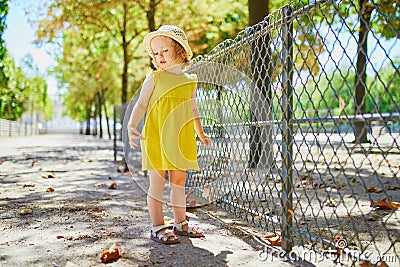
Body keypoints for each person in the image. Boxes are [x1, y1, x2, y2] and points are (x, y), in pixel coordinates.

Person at [127, 25, 211, 244]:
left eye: (164, 50)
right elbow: (141, 104)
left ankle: (180, 222)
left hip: (179, 139)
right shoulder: (154, 78)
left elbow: (193, 110)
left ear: (180, 50)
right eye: (155, 53)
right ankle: (157, 226)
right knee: (157, 183)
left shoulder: (189, 81)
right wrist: (131, 125)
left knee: (179, 181)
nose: (159, 56)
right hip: (156, 138)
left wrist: (200, 133)